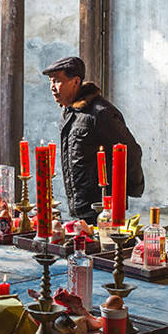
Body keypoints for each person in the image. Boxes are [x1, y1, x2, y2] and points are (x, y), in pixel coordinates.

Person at [43, 55, 144, 223]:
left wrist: (128, 191)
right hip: (79, 205)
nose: (52, 87)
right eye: (50, 82)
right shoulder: (68, 112)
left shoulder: (100, 113)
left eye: (57, 81)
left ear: (76, 81)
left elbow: (131, 152)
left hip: (102, 207)